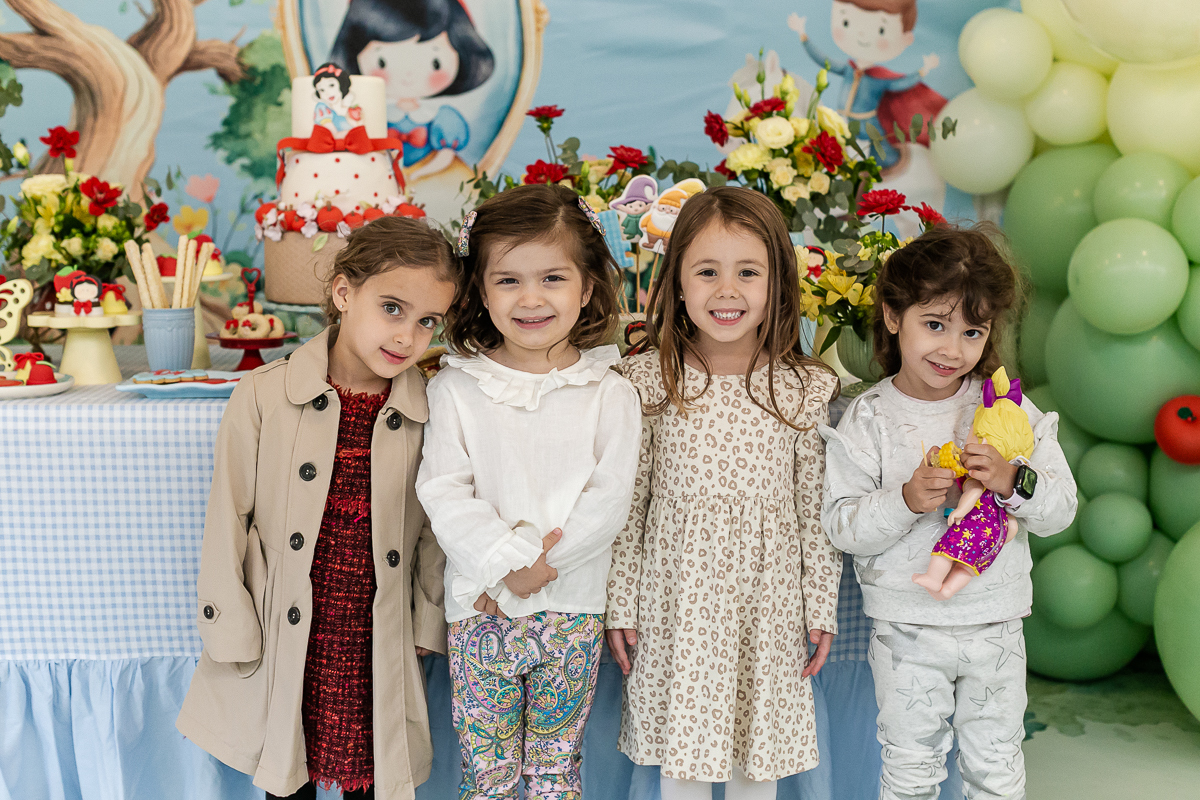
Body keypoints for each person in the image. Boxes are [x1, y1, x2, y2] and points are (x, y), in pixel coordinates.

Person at [176, 216, 460, 800]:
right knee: (287, 760)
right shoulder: (261, 394)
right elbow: (227, 518)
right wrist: (230, 629)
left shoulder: (431, 407)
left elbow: (435, 528)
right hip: (289, 626)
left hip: (372, 628)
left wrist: (429, 620)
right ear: (343, 292)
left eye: (427, 321)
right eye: (392, 308)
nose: (407, 335)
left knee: (368, 762)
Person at [820, 225, 1077, 800]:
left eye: (972, 331)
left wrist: (1013, 481)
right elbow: (840, 525)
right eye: (934, 324)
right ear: (893, 317)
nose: (951, 348)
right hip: (906, 630)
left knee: (995, 766)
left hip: (995, 624)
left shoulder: (1009, 409)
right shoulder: (868, 419)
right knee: (910, 768)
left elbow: (1060, 509)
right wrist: (905, 500)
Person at [607, 185, 842, 800]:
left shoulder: (799, 388)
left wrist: (820, 606)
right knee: (683, 758)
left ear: (777, 283)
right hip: (677, 598)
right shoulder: (649, 380)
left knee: (751, 759)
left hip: (766, 603)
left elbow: (813, 512)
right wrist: (621, 603)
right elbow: (631, 506)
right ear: (677, 280)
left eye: (748, 272)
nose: (727, 290)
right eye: (707, 271)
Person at [415, 183, 642, 798]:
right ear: (479, 291)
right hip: (482, 607)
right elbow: (443, 491)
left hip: (571, 608)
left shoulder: (609, 390)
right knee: (486, 774)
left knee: (554, 770)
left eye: (552, 278)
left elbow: (609, 496)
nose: (531, 298)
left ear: (587, 286)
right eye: (508, 280)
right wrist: (506, 567)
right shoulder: (455, 388)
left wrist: (542, 567)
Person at [330, 0, 495, 181]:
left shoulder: (443, 118)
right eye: (382, 62)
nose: (408, 75)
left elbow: (445, 156)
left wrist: (418, 175)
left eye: (435, 63)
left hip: (432, 177)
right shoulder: (372, 114)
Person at [912, 365, 1035, 600]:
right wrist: (1007, 531)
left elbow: (973, 491)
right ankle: (947, 590)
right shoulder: (1015, 467)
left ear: (982, 439)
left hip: (974, 525)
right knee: (968, 567)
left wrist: (960, 510)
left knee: (946, 551)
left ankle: (934, 578)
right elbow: (1013, 522)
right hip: (996, 530)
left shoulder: (978, 475)